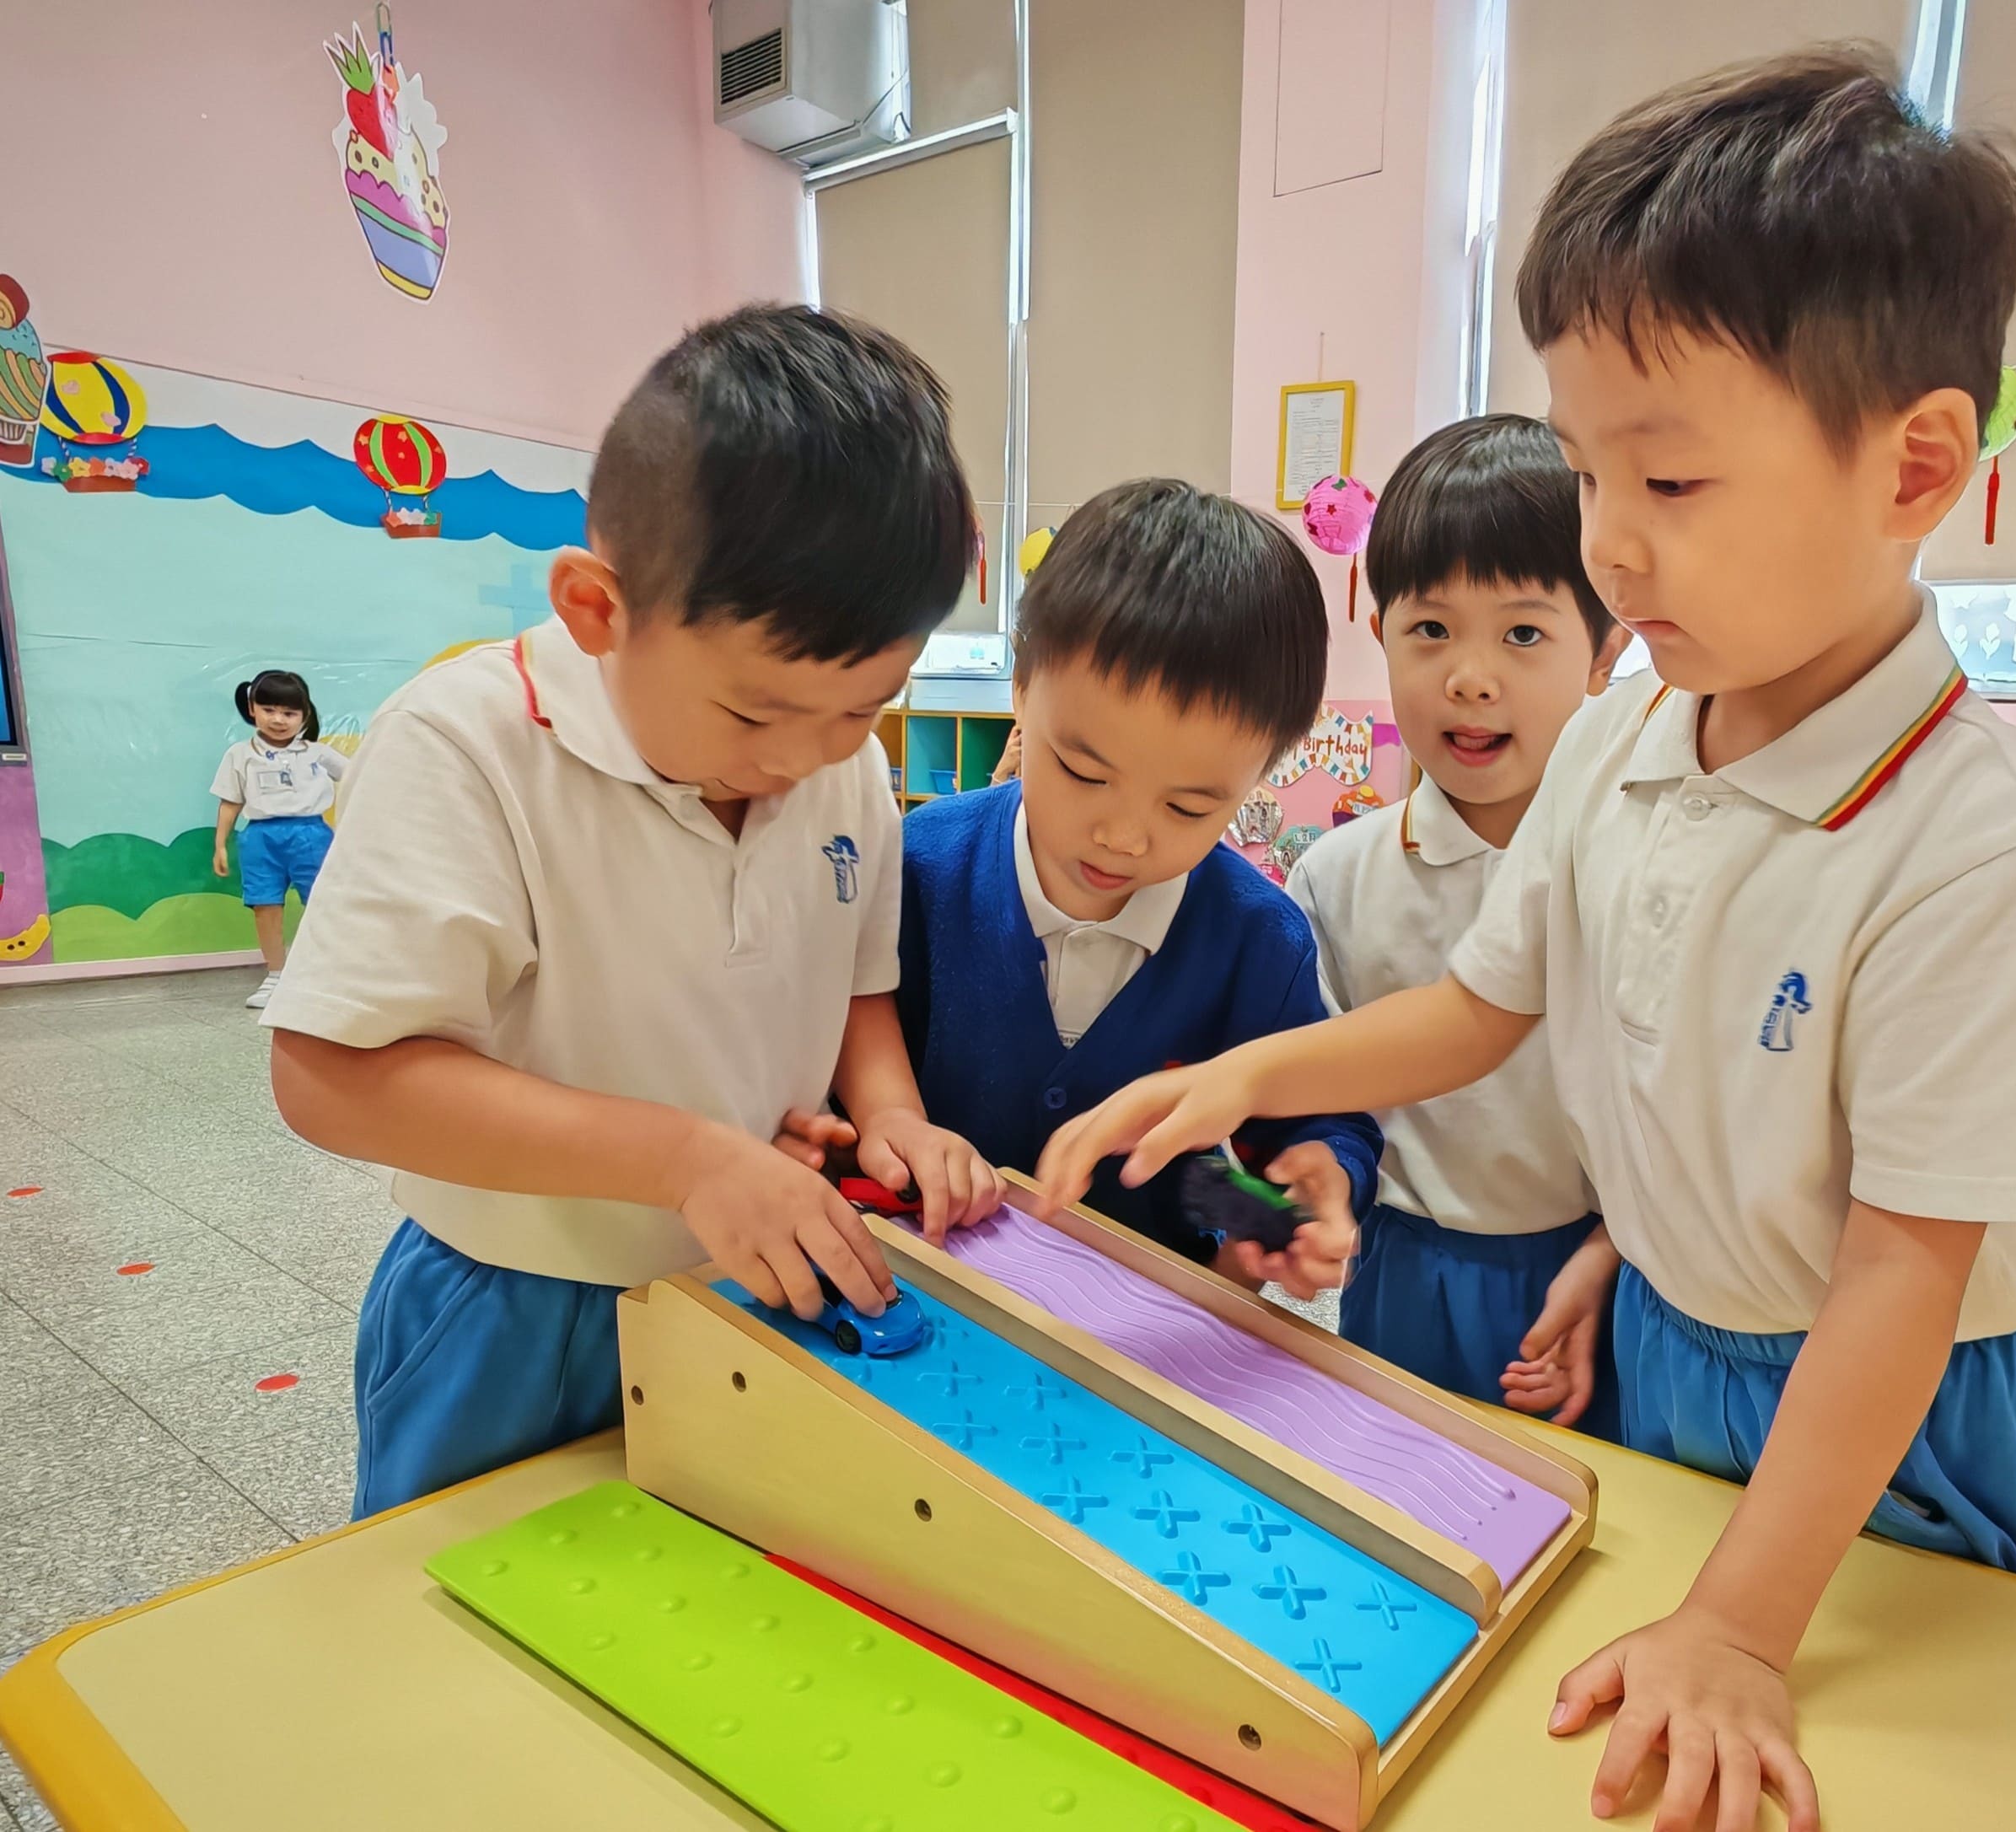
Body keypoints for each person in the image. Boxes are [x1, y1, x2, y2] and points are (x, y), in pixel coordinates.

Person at [1034, 49, 2016, 1832]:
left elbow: (1900, 1277)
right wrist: (1242, 1076)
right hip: (1675, 1347)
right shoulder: (1622, 736)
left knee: (1877, 1769)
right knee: (1608, 1753)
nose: (1608, 547)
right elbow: (1474, 1008)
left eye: (1665, 484)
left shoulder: (1971, 840)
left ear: (1912, 465)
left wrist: (1744, 1624)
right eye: (1588, 474)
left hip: (1896, 1410)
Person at [266, 306, 1003, 1517]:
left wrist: (891, 1117)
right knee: (461, 1606)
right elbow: (330, 1077)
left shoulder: (845, 770)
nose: (807, 756)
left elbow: (857, 986)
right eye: (755, 714)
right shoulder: (467, 743)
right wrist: (684, 1158)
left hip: (763, 1288)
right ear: (597, 609)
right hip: (520, 1309)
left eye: (864, 707)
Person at [797, 479, 1379, 1294]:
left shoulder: (1259, 943)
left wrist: (1319, 1177)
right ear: (1022, 688)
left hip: (1142, 1330)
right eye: (1083, 771)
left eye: (1188, 806)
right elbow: (834, 1047)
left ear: (1261, 771)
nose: (1124, 836)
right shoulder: (917, 868)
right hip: (923, 1302)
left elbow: (1321, 1114)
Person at [1283, 415, 1626, 1434]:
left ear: (1605, 650)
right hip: (1402, 1264)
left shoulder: (1638, 869)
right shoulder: (1336, 876)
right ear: (1379, 630)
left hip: (1599, 1271)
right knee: (1397, 1487)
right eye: (1430, 629)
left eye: (1522, 634)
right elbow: (1317, 1100)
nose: (1470, 677)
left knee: (1591, 1503)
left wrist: (1614, 1248)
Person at [211, 669, 350, 1008]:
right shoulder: (240, 754)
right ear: (252, 708)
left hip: (312, 836)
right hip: (260, 839)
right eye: (269, 709)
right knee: (265, 906)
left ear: (305, 715)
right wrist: (220, 845)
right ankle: (276, 976)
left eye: (289, 713)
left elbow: (361, 777)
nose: (278, 719)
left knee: (322, 904)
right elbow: (230, 802)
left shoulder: (318, 753)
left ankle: (329, 974)